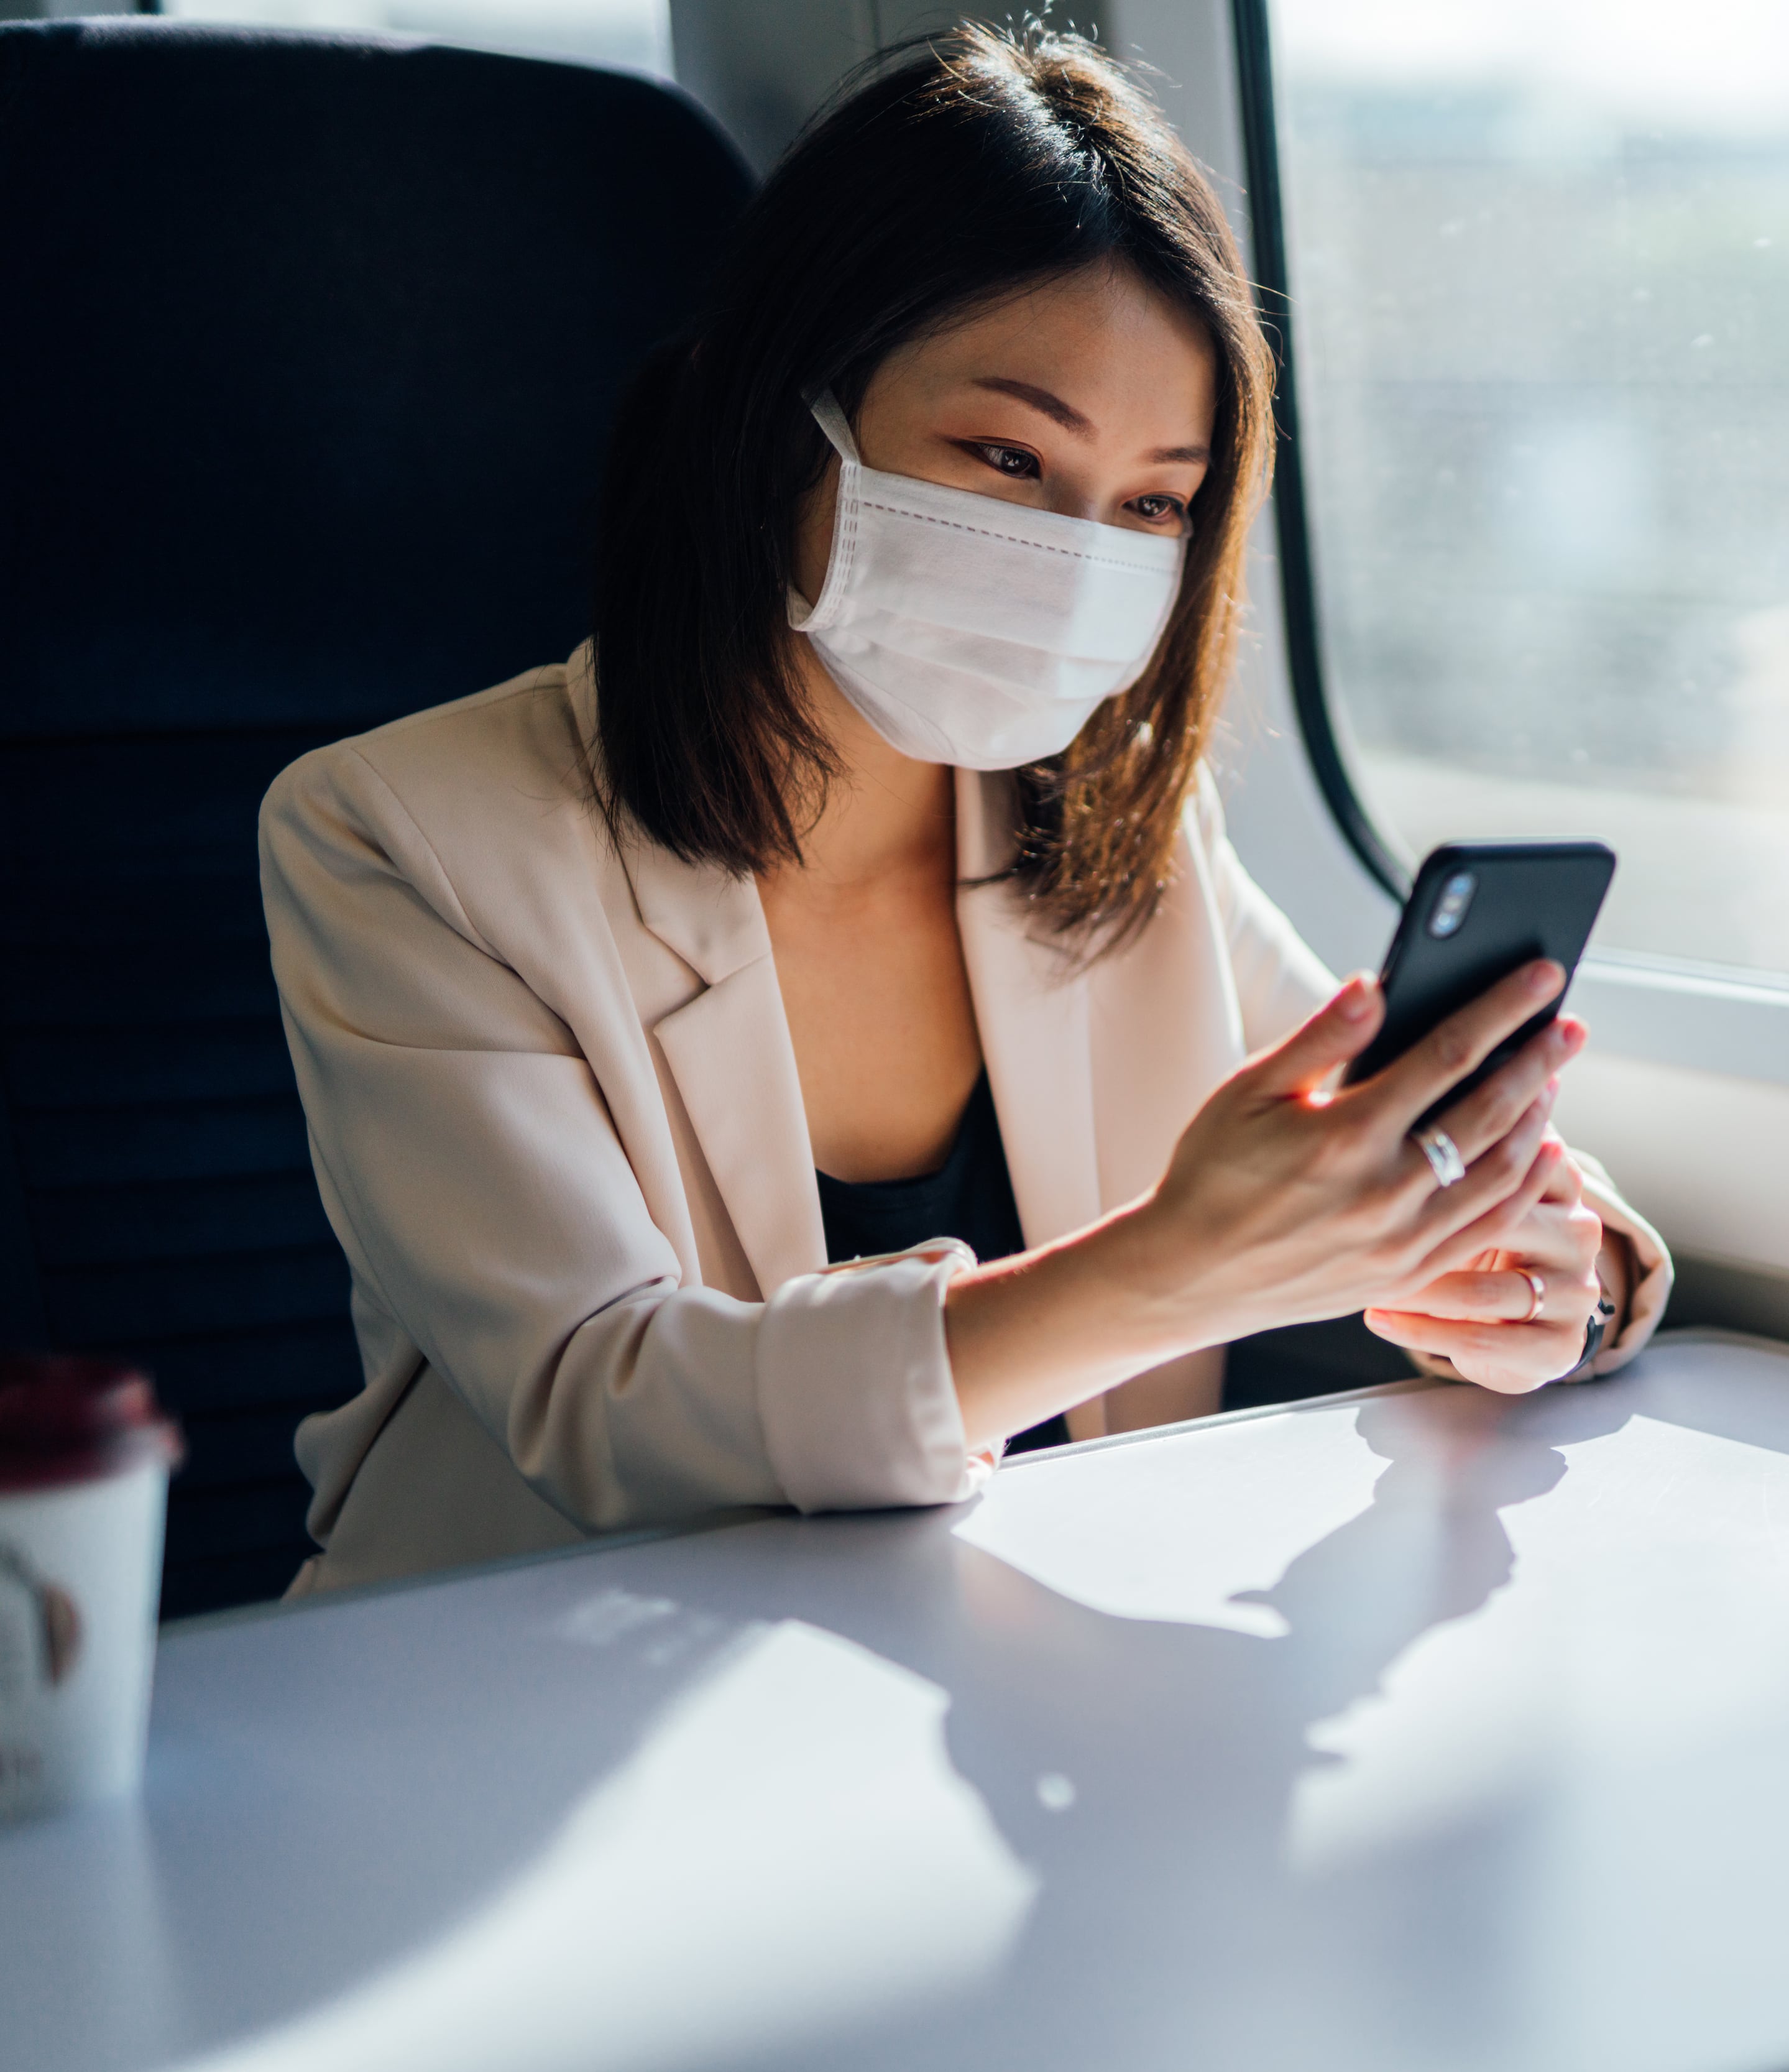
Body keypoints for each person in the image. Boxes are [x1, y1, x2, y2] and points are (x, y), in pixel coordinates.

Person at [257, 26, 1671, 1598]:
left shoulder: (1132, 832)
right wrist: (1166, 1268)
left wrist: (1565, 1279)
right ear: (778, 425)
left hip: (990, 1672)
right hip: (510, 1687)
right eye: (1009, 456)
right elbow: (603, 1406)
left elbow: (1410, 1142)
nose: (1081, 557)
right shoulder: (398, 834)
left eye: (1151, 502)